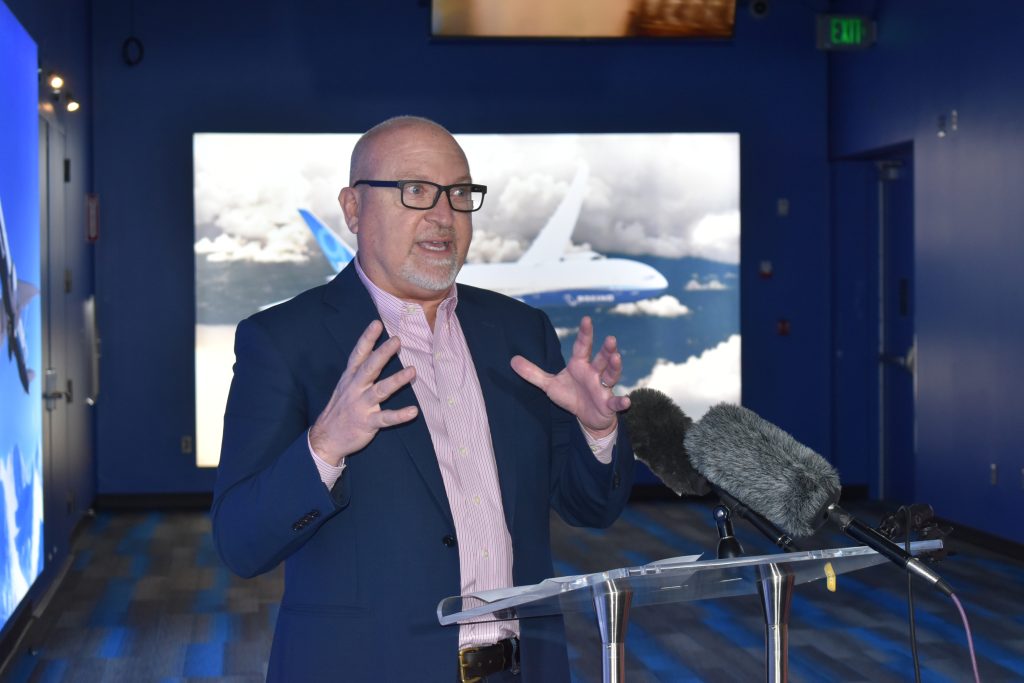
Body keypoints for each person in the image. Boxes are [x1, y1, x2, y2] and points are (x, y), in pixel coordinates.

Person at [212, 116, 635, 682]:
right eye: (415, 190)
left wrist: (597, 432)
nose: (443, 215)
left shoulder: (520, 333)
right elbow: (241, 544)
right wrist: (324, 447)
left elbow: (590, 509)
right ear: (354, 208)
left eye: (459, 194)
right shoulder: (286, 341)